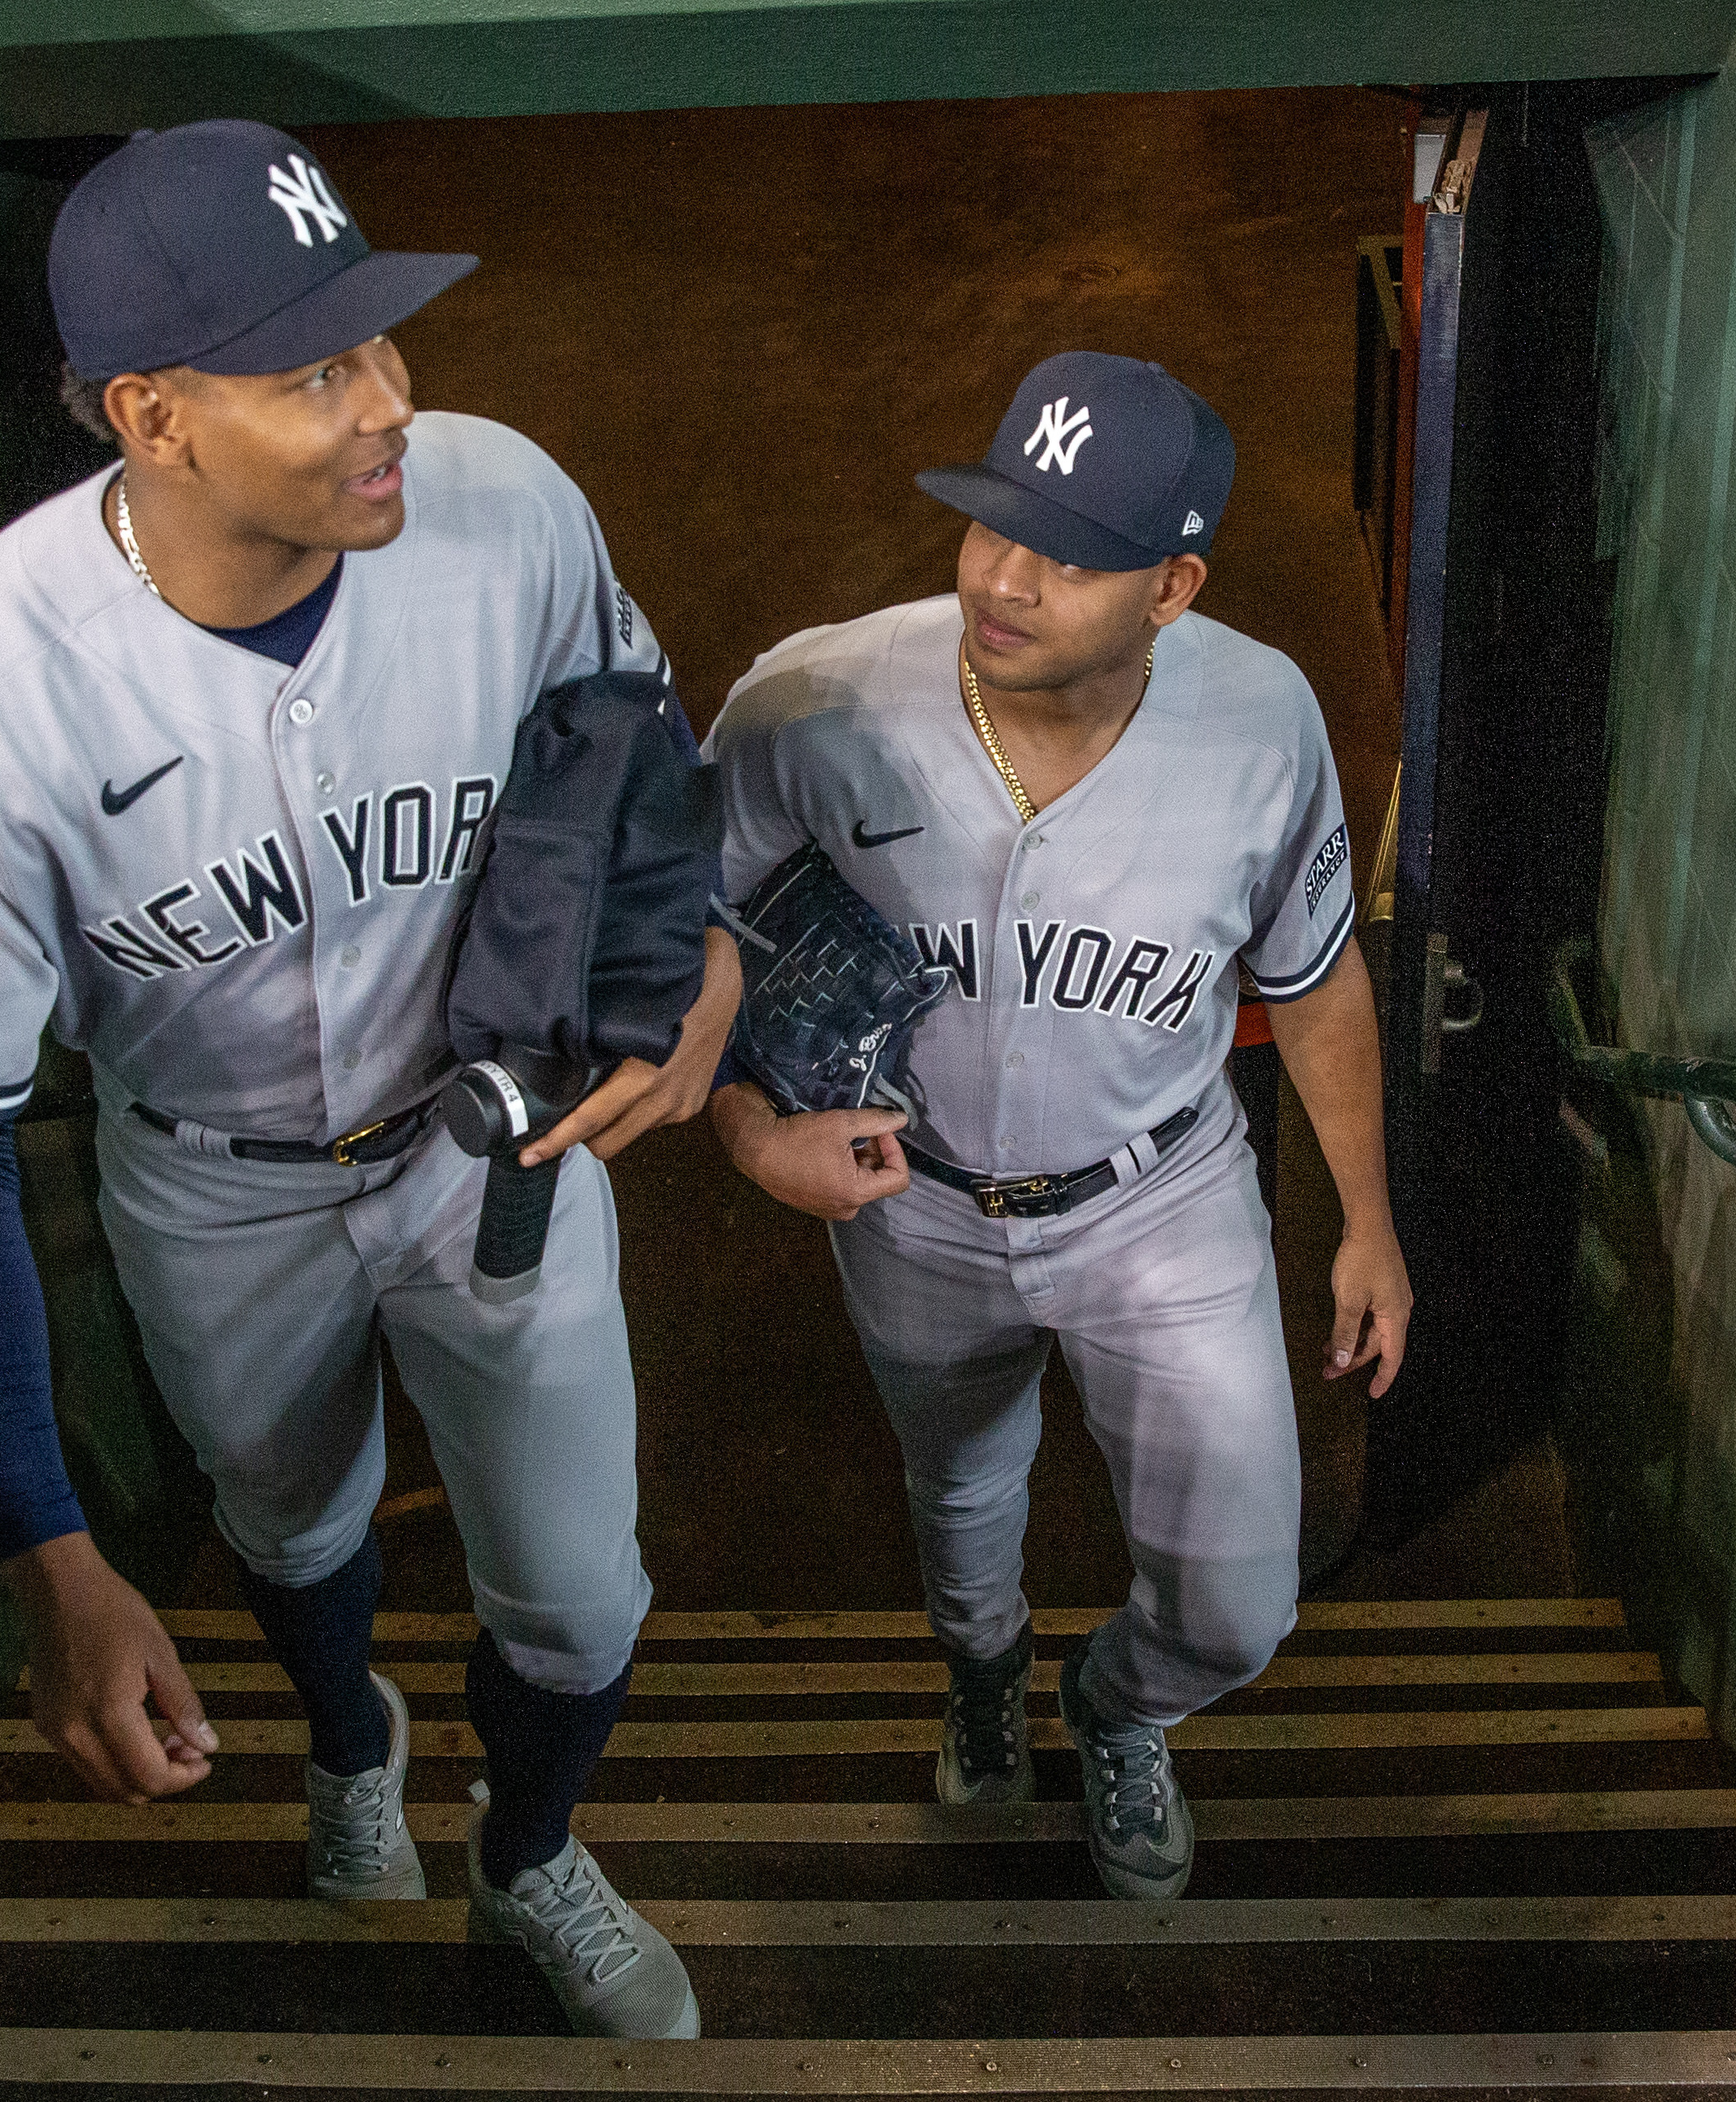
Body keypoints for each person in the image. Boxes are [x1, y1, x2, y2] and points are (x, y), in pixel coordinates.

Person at [0, 120, 734, 2038]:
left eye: (383, 342)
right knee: (291, 1526)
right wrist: (47, 1547)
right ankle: (350, 1741)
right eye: (319, 368)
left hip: (485, 1143)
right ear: (152, 419)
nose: (392, 399)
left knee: (582, 1597)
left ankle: (529, 1852)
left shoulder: (507, 504)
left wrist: (709, 956)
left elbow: (635, 742)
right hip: (213, 1183)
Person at [704, 352, 1409, 1901]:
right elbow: (676, 937)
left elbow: (1317, 977)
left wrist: (1366, 1214)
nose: (1003, 580)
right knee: (958, 1489)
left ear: (1173, 586)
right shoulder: (817, 701)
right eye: (989, 525)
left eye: (1069, 553)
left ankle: (1119, 1705)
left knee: (1238, 1604)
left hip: (1161, 1202)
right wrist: (756, 1131)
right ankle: (982, 1673)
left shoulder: (1264, 719)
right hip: (915, 1202)